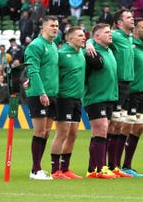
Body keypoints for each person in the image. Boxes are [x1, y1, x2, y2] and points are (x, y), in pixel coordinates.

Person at [25, 15, 61, 180]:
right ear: (44, 27)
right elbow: (33, 70)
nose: (55, 28)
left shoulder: (53, 46)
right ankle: (35, 169)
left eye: (57, 25)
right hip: (39, 94)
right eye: (52, 25)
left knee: (46, 132)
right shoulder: (35, 46)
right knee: (39, 131)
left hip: (52, 94)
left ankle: (38, 168)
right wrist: (41, 92)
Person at [50, 26, 86, 179]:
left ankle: (65, 169)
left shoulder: (82, 54)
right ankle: (55, 170)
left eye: (84, 35)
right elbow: (49, 71)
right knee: (62, 133)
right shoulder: (61, 54)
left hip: (77, 99)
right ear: (71, 39)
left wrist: (90, 44)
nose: (84, 38)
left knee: (73, 134)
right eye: (80, 35)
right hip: (63, 98)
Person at [84, 23, 119, 179]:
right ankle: (100, 168)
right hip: (95, 97)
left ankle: (92, 169)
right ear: (97, 36)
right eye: (106, 32)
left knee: (100, 132)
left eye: (110, 32)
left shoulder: (109, 51)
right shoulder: (91, 52)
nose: (110, 34)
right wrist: (88, 42)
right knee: (102, 129)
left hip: (109, 97)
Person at [106, 9, 136, 178]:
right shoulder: (115, 36)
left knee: (120, 125)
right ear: (119, 23)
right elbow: (94, 39)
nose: (132, 19)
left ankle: (114, 165)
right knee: (111, 126)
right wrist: (88, 43)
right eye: (128, 17)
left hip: (128, 86)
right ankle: (103, 165)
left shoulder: (130, 38)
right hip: (116, 84)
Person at [120, 18, 143, 177]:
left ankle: (127, 165)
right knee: (125, 127)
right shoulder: (129, 44)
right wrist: (90, 43)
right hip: (131, 92)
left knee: (139, 128)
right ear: (135, 30)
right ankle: (115, 164)